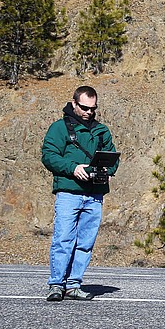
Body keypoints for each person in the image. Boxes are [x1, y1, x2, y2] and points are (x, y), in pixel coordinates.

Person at [40, 86, 118, 301]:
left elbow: (112, 157)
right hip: (69, 192)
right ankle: (56, 284)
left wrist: (107, 171)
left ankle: (74, 284)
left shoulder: (102, 131)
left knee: (85, 242)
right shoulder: (58, 128)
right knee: (63, 239)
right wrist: (73, 168)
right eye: (84, 107)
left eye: (93, 108)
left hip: (95, 194)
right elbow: (49, 156)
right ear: (74, 103)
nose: (89, 112)